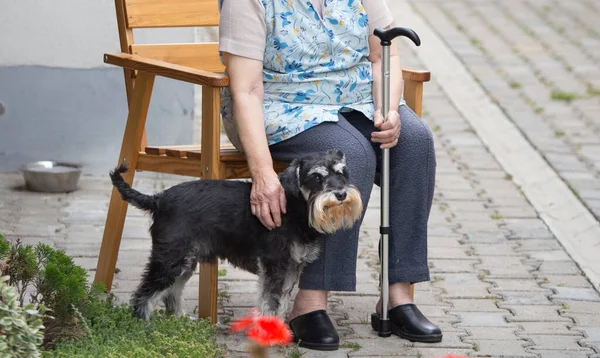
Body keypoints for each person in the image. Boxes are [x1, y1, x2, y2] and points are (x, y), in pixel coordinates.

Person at [217, 0, 442, 350]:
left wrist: (388, 111)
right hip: (285, 109)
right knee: (351, 155)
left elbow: (385, 55)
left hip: (359, 101)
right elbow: (246, 90)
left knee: (415, 143)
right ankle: (309, 301)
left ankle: (398, 294)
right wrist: (262, 174)